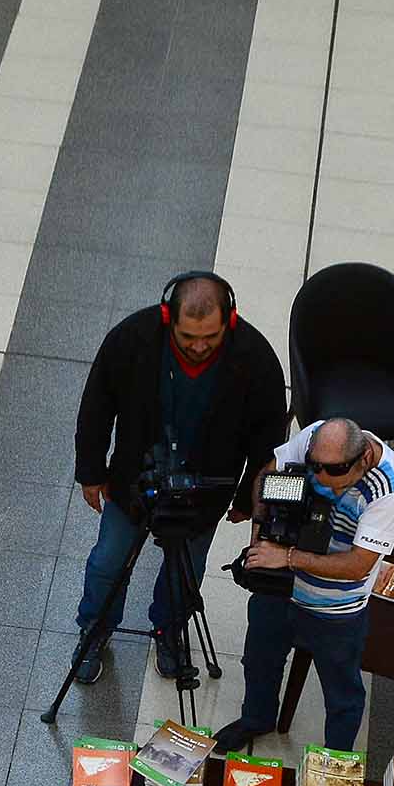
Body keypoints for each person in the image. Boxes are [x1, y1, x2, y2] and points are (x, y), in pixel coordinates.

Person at [70, 272, 287, 684]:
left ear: (231, 321)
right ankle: (94, 628)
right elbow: (96, 406)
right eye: (188, 336)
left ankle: (169, 628)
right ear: (169, 316)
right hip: (134, 482)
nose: (200, 346)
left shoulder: (256, 359)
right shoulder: (132, 339)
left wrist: (246, 500)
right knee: (108, 562)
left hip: (206, 493)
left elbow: (268, 441)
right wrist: (91, 472)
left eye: (211, 336)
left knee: (186, 569)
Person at [213, 416, 394, 755]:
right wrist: (261, 536)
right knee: (259, 660)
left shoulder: (391, 488)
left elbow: (357, 565)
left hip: (335, 610)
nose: (322, 483)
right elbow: (266, 475)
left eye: (335, 476)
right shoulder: (316, 439)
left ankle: (336, 757)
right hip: (279, 590)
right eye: (314, 470)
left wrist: (287, 557)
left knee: (341, 692)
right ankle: (256, 719)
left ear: (363, 458)